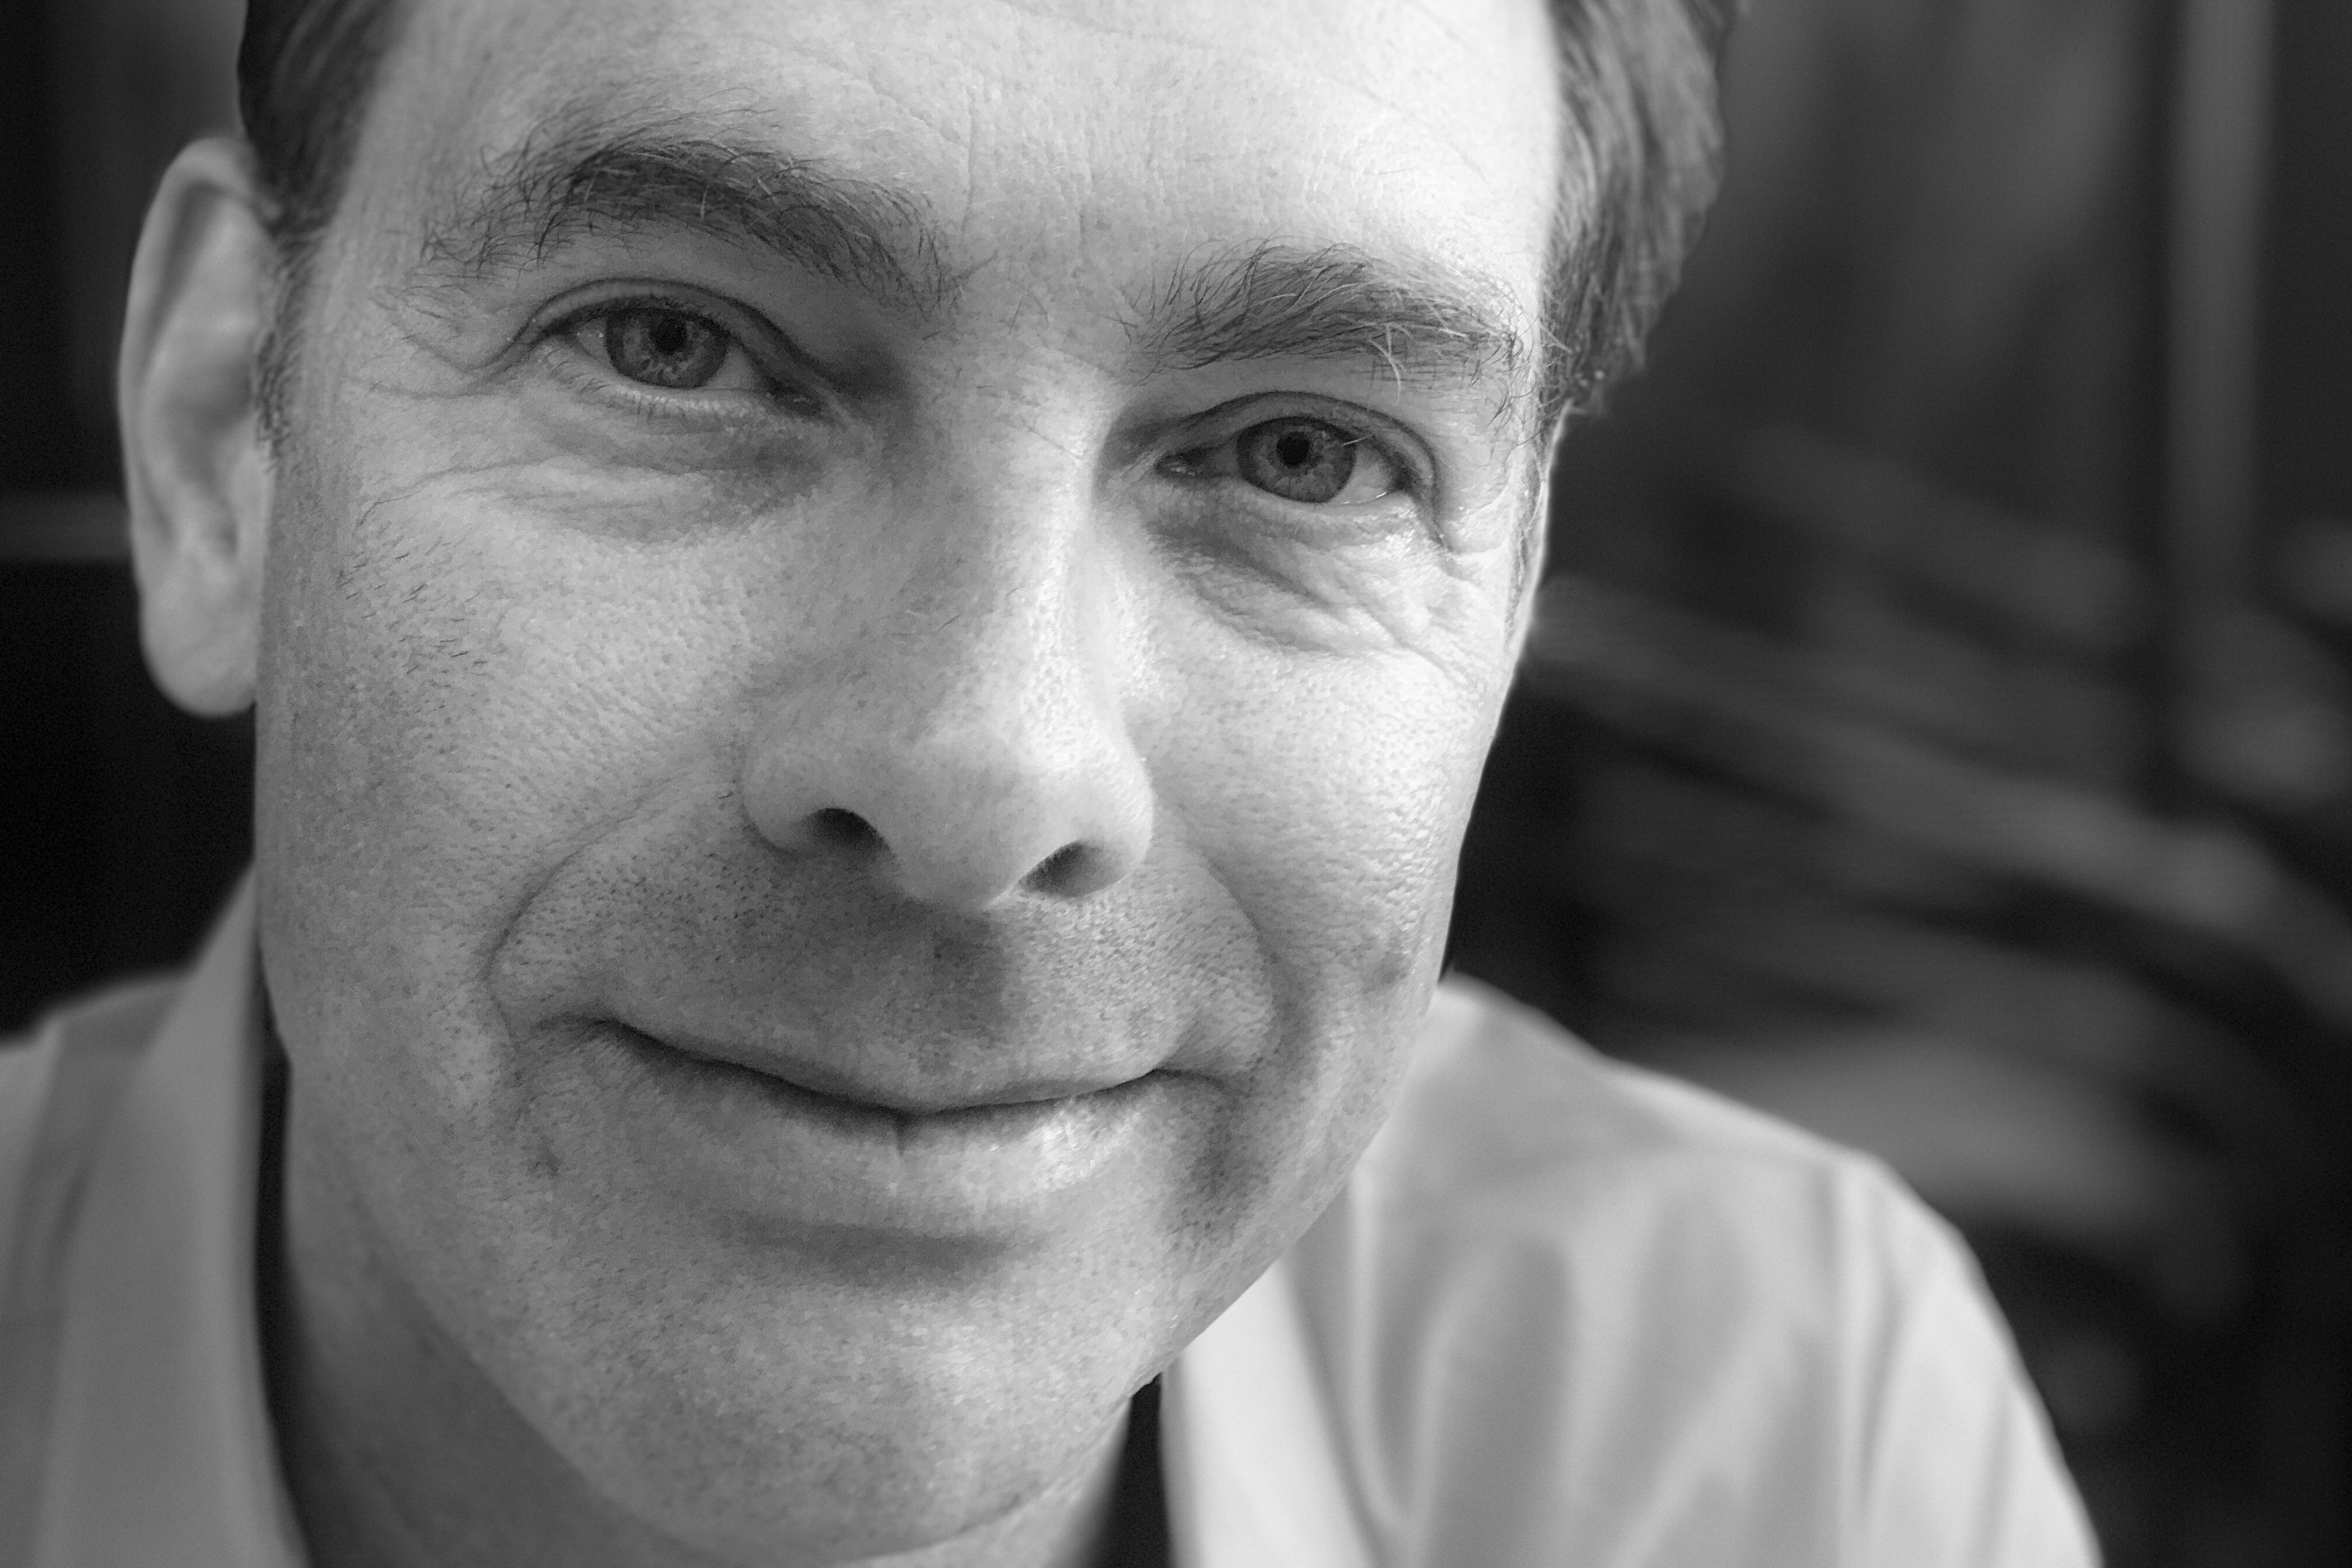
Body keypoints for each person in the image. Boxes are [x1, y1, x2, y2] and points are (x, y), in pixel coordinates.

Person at [0, 0, 2101, 1563]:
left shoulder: (1787, 1437)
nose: (986, 773)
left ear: (1514, 596)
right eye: (672, 346)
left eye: (1302, 456)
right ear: (219, 442)